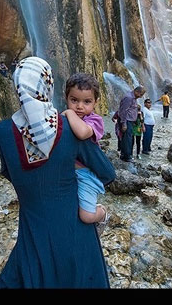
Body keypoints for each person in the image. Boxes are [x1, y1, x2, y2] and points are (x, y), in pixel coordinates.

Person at [0, 57, 116, 288]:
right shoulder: (70, 127)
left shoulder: (1, 131)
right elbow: (107, 173)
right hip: (73, 227)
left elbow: (10, 173)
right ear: (47, 85)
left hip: (32, 226)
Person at [61, 72, 110, 232]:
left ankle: (102, 214)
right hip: (70, 173)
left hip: (87, 175)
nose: (79, 106)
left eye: (87, 102)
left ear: (96, 102)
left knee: (86, 216)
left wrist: (68, 113)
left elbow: (82, 133)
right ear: (66, 98)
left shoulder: (94, 120)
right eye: (74, 100)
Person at [118, 86, 146, 162]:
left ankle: (124, 155)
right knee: (128, 139)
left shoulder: (133, 98)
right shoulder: (129, 98)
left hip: (130, 121)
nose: (141, 96)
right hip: (127, 121)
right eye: (141, 94)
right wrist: (124, 123)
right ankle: (127, 156)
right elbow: (123, 111)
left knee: (127, 138)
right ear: (137, 92)